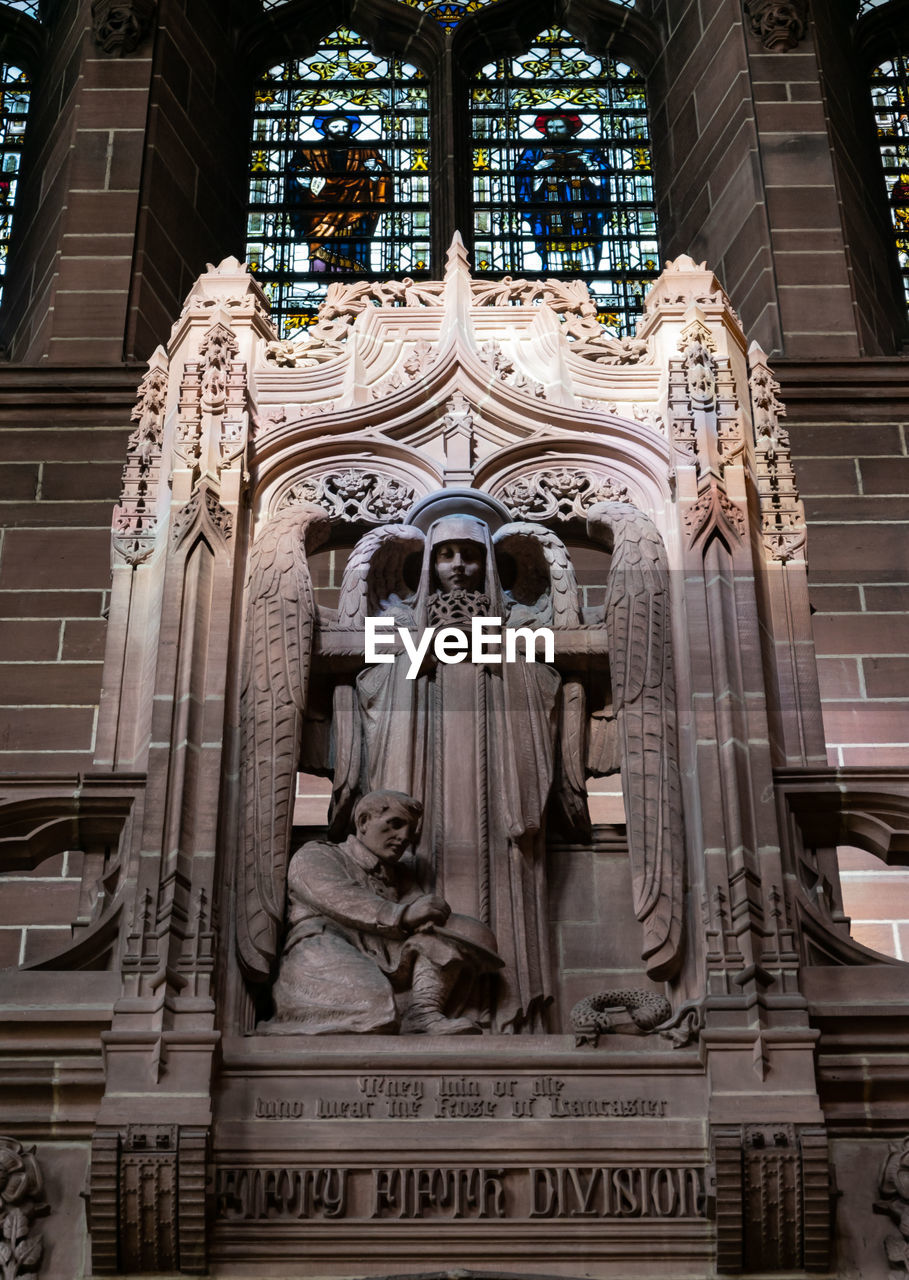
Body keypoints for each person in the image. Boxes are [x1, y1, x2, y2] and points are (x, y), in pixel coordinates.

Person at [331, 514, 564, 1034]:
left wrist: (498, 653)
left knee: (506, 880)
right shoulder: (400, 631)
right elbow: (373, 692)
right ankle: (420, 1008)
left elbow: (543, 687)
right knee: (418, 877)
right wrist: (422, 651)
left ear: (488, 563)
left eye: (470, 553)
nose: (459, 565)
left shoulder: (517, 630)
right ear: (428, 563)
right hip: (419, 793)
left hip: (498, 787)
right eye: (445, 554)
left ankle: (508, 1015)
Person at [268, 789, 500, 1035]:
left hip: (388, 955)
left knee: (459, 934)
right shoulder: (317, 855)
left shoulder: (400, 877)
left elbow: (425, 922)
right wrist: (403, 914)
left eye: (409, 833)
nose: (403, 837)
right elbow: (341, 898)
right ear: (364, 822)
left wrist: (439, 917)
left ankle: (422, 1012)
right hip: (324, 946)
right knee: (372, 1004)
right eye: (395, 825)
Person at [285, 113, 390, 273]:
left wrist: (375, 169)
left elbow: (384, 176)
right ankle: (321, 279)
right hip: (320, 213)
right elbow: (294, 172)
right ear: (326, 128)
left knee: (355, 251)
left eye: (345, 126)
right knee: (321, 253)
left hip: (356, 211)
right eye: (336, 126)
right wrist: (302, 176)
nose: (341, 130)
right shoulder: (308, 151)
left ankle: (356, 280)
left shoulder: (366, 151)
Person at [515, 111, 613, 273]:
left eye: (559, 127)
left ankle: (585, 281)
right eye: (550, 127)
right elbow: (522, 174)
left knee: (585, 243)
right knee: (553, 246)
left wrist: (589, 164)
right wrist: (539, 167)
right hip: (549, 207)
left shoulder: (588, 149)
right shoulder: (535, 151)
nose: (554, 130)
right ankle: (554, 280)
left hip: (583, 208)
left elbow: (604, 175)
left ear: (569, 129)